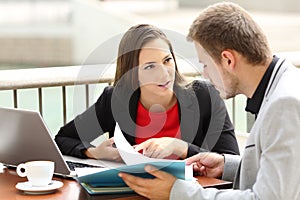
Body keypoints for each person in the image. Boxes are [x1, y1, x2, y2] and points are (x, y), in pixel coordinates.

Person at [119, 2, 300, 200]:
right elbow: (284, 173)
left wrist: (176, 192)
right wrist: (227, 166)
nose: (205, 74)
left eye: (205, 64)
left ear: (228, 60)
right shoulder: (284, 85)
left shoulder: (284, 105)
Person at [54, 24, 239, 162]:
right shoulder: (115, 100)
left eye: (167, 60)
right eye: (150, 66)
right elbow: (62, 138)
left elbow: (232, 162)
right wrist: (93, 152)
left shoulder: (204, 97)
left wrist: (182, 148)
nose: (164, 73)